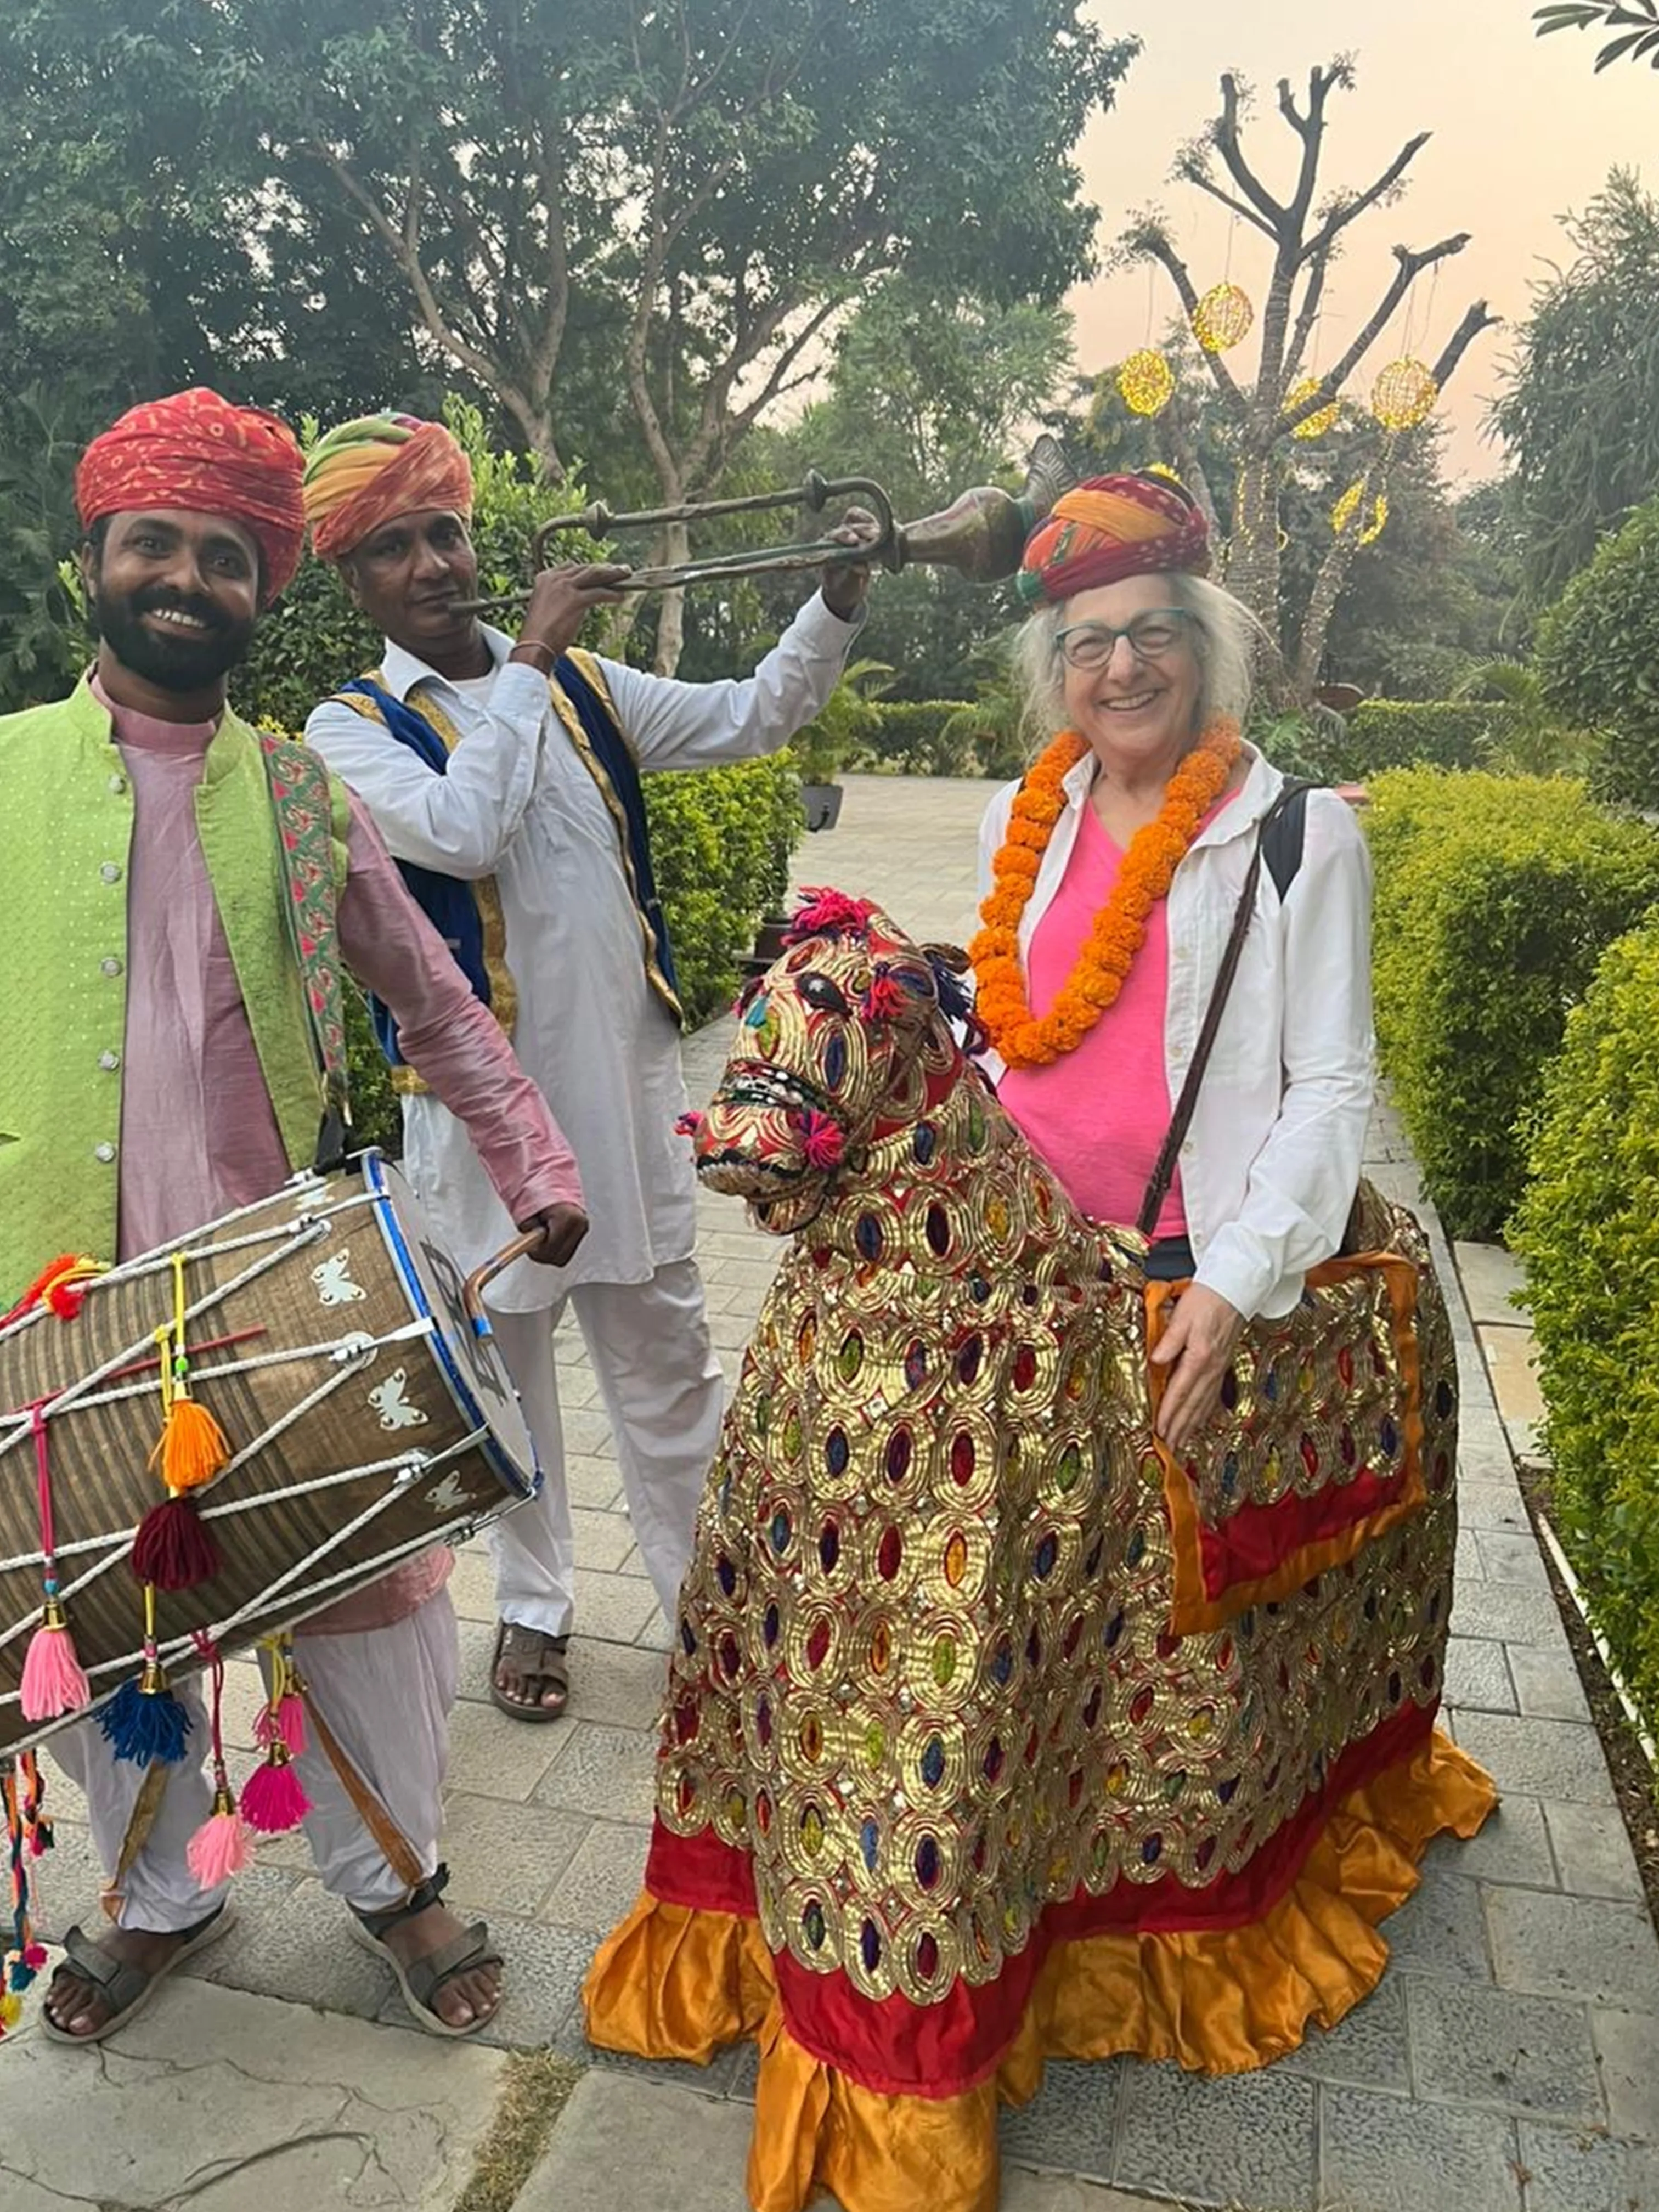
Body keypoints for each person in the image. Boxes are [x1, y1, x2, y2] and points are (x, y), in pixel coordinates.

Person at [581, 474, 1496, 2212]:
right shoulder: (1036, 808)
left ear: (1205, 649)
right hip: (1010, 1279)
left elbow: (1330, 1093)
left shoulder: (1298, 835)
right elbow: (1014, 1036)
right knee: (974, 1626)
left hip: (1183, 1267)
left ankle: (1130, 1932)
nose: (1121, 669)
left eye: (1152, 636)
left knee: (1152, 1641)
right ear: (1052, 669)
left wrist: (1236, 1282)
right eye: (1088, 645)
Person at [1, 388, 589, 2044]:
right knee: (96, 1615)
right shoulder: (4, 778)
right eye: (155, 546)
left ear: (266, 585)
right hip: (61, 1303)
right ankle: (157, 1895)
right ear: (96, 562)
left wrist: (539, 1168)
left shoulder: (301, 792)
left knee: (369, 1603)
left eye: (225, 556)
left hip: (278, 1285)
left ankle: (396, 1881)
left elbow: (438, 1005)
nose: (186, 579)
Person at [300, 413, 873, 1720]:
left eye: (445, 533)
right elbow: (462, 830)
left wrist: (833, 603)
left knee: (670, 1365)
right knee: (505, 1377)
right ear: (353, 579)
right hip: (479, 1125)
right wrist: (533, 658)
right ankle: (534, 1608)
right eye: (394, 548)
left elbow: (753, 716)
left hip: (629, 1093)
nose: (432, 564)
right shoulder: (349, 729)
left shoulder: (587, 687)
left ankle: (708, 1610)